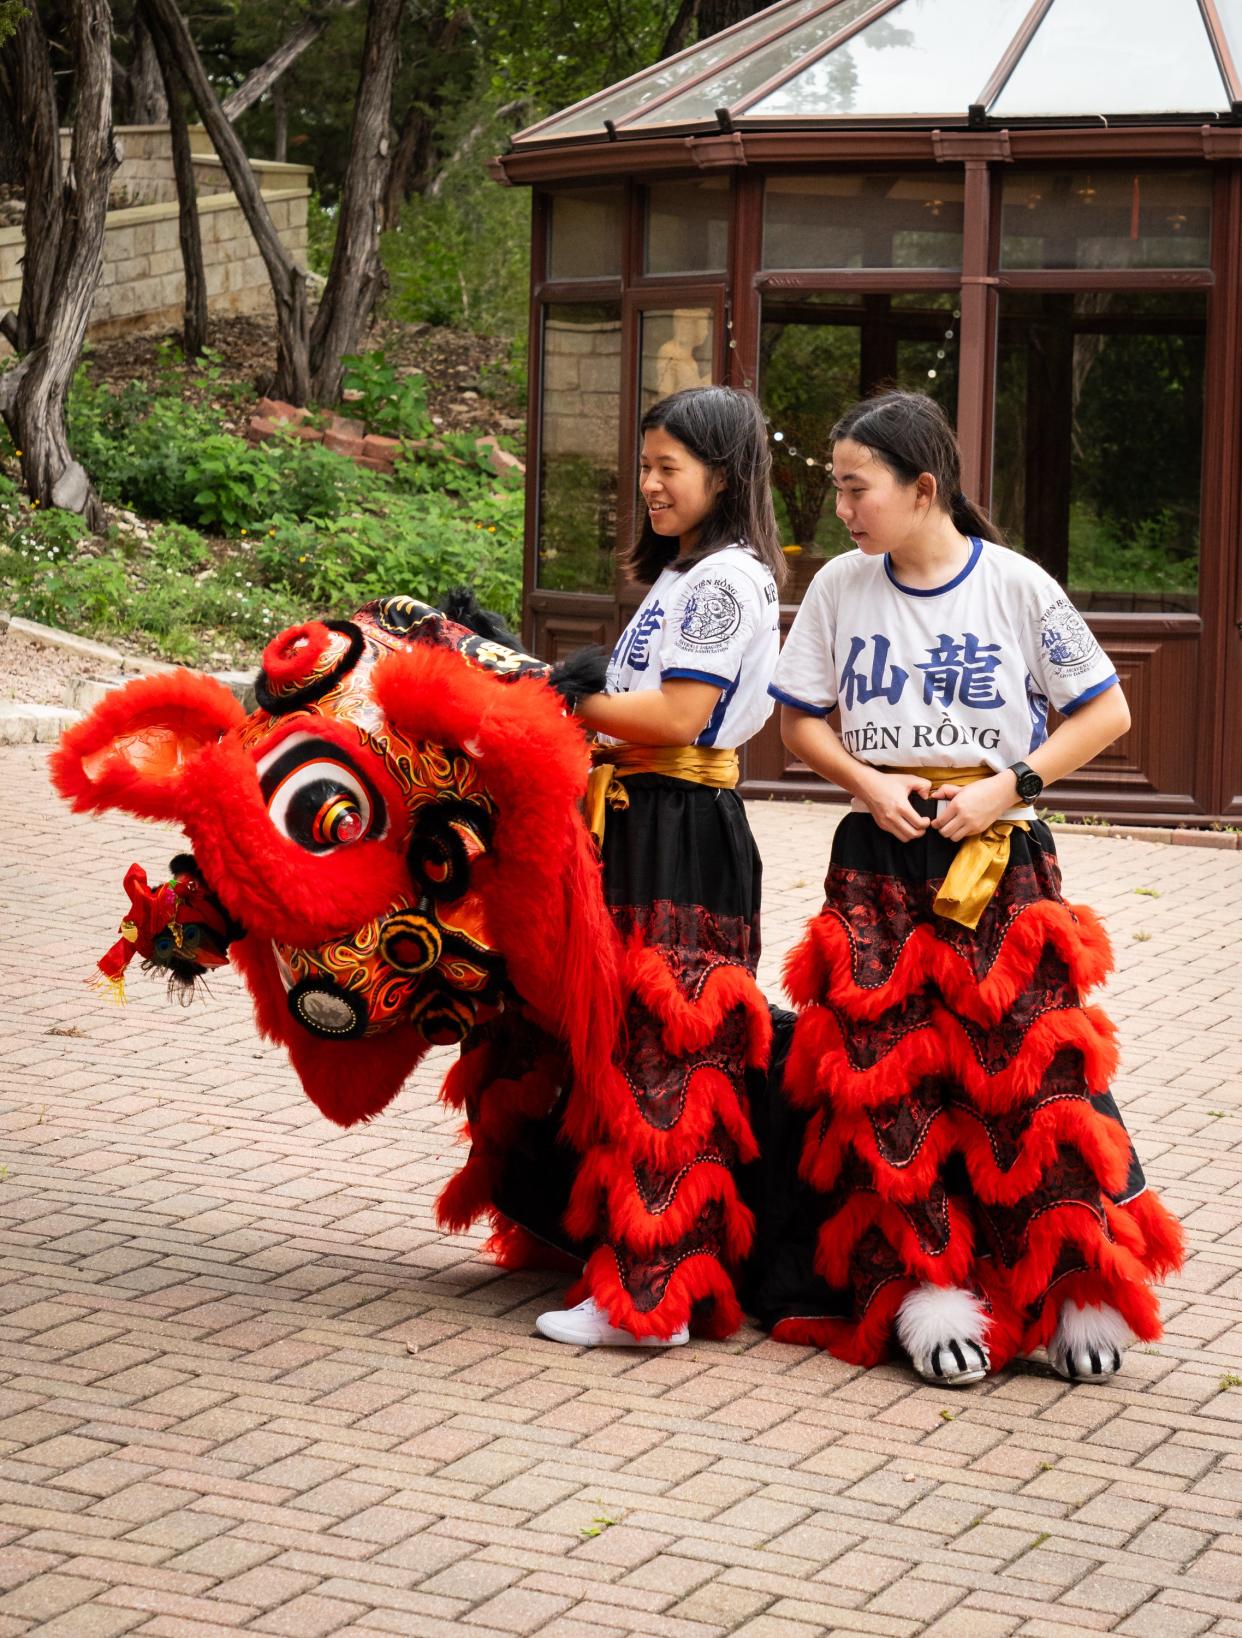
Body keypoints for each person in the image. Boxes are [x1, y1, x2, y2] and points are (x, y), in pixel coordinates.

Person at [753, 389, 1182, 1385]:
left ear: (923, 488)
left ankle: (1071, 1287)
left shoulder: (1017, 589)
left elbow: (1104, 711)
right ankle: (928, 1291)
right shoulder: (838, 591)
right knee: (889, 1074)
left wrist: (1009, 784)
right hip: (879, 857)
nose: (844, 510)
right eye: (838, 490)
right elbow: (800, 721)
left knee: (1031, 1075)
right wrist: (869, 784)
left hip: (1000, 859)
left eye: (858, 489)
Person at [532, 384, 785, 1348]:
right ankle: (636, 1272)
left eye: (666, 468)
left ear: (720, 476)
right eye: (644, 466)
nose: (648, 485)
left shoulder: (724, 581)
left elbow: (679, 718)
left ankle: (651, 1301)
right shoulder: (690, 576)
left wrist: (569, 701)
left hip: (682, 824)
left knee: (667, 1065)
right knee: (636, 1053)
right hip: (650, 819)